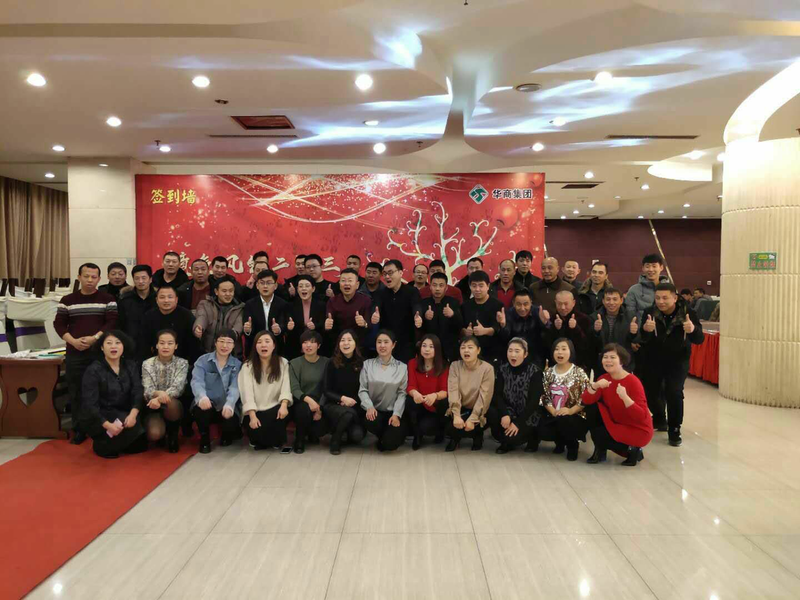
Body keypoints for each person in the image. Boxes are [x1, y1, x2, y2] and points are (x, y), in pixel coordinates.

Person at [54, 262, 118, 445]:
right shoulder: (67, 300)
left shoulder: (108, 299)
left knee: (101, 390)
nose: (90, 280)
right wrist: (73, 341)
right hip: (75, 353)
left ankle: (100, 427)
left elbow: (111, 322)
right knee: (76, 391)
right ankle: (79, 429)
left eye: (94, 277)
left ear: (99, 279)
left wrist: (94, 338)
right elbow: (59, 324)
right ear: (79, 277)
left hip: (100, 352)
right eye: (86, 276)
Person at [639, 283, 704, 447]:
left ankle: (674, 428)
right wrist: (645, 329)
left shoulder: (688, 312)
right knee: (651, 392)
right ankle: (660, 418)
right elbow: (642, 339)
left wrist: (692, 329)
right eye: (657, 298)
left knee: (674, 392)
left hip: (677, 360)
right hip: (653, 359)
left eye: (665, 298)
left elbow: (699, 339)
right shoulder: (649, 312)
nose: (661, 302)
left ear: (675, 298)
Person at [582, 344, 653, 466]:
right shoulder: (604, 378)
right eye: (605, 357)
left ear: (622, 361)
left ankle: (632, 450)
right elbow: (586, 400)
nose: (608, 360)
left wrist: (625, 398)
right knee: (592, 408)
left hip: (637, 429)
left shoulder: (633, 381)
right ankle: (600, 450)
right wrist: (595, 386)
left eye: (612, 357)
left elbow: (641, 416)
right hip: (616, 422)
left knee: (600, 435)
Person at [81, 330, 148, 458]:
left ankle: (118, 441)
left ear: (123, 346)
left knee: (140, 446)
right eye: (109, 343)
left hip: (126, 411)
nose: (113, 346)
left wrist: (133, 414)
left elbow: (137, 391)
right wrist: (107, 424)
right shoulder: (94, 370)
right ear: (102, 347)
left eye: (118, 343)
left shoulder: (130, 365)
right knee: (111, 450)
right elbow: (90, 404)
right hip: (102, 415)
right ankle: (102, 443)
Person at [487, 338, 544, 454]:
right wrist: (505, 414)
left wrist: (517, 423)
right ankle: (506, 441)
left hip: (527, 415)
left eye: (517, 351)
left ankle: (532, 437)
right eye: (510, 350)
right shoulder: (502, 369)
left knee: (514, 438)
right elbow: (497, 395)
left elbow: (534, 402)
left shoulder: (535, 371)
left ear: (525, 354)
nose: (513, 354)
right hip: (509, 411)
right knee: (491, 412)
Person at [239, 330, 293, 451]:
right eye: (259, 342)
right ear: (255, 346)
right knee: (259, 443)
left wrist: (284, 405)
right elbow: (247, 393)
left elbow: (286, 387)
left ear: (273, 345)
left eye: (267, 341)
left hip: (276, 408)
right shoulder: (247, 366)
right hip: (255, 410)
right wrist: (252, 415)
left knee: (276, 441)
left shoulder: (283, 363)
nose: (263, 345)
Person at [537, 338, 589, 461]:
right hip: (553, 413)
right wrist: (553, 411)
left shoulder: (579, 372)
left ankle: (572, 446)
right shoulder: (548, 372)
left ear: (571, 352)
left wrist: (570, 411)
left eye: (564, 349)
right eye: (557, 349)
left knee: (565, 420)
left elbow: (586, 398)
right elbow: (544, 396)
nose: (560, 352)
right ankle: (559, 442)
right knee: (540, 427)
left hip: (574, 415)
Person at [191, 329, 243, 453]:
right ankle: (204, 439)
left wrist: (230, 404)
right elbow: (197, 381)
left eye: (229, 342)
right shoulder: (202, 361)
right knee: (201, 410)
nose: (225, 346)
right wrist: (202, 397)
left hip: (227, 406)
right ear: (215, 342)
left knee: (231, 423)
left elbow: (235, 387)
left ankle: (227, 434)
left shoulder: (237, 364)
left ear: (234, 345)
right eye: (221, 341)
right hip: (208, 404)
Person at [358, 330, 409, 451]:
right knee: (371, 421)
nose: (382, 345)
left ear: (393, 345)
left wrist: (396, 414)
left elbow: (402, 393)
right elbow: (363, 390)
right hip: (375, 412)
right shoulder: (367, 365)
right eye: (379, 342)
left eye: (386, 342)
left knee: (390, 445)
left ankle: (389, 437)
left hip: (393, 413)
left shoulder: (402, 367)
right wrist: (369, 407)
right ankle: (383, 436)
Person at [141, 329, 189, 453]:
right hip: (153, 406)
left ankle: (173, 435)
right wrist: (158, 394)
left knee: (171, 403)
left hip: (172, 404)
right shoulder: (147, 364)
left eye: (170, 343)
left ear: (176, 346)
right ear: (157, 345)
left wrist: (160, 397)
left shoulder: (182, 363)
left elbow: (178, 388)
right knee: (154, 434)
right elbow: (147, 389)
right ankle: (162, 432)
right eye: (162, 343)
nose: (165, 346)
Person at [321, 330, 367, 454]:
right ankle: (335, 439)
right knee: (347, 414)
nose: (346, 343)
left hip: (355, 405)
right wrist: (342, 399)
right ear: (338, 344)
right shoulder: (331, 363)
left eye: (349, 340)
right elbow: (326, 390)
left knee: (357, 436)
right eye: (342, 340)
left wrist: (352, 401)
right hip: (334, 404)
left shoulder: (362, 363)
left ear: (355, 343)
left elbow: (365, 389)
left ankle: (344, 430)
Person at [445, 335, 494, 451]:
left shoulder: (487, 368)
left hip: (478, 409)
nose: (466, 350)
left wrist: (473, 419)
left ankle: (477, 435)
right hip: (461, 408)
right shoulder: (455, 366)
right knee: (448, 425)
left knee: (492, 414)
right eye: (463, 347)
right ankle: (455, 438)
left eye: (470, 347)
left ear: (478, 350)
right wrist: (456, 415)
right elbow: (453, 390)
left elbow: (485, 396)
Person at [288, 330, 330, 453]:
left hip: (321, 401)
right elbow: (294, 389)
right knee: (303, 409)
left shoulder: (327, 362)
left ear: (319, 345)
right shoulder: (294, 363)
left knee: (321, 428)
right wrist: (310, 401)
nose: (308, 345)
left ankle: (312, 433)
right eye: (305, 342)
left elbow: (327, 388)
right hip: (301, 400)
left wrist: (319, 408)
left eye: (312, 342)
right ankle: (299, 439)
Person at [406, 334, 449, 450]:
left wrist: (435, 395)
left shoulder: (444, 365)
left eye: (431, 346)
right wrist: (415, 393)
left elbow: (445, 390)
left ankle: (440, 431)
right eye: (424, 346)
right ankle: (417, 435)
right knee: (409, 400)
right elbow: (410, 386)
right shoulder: (412, 363)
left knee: (444, 403)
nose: (427, 349)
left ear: (437, 349)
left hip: (435, 406)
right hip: (420, 403)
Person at [374, 259, 420, 362]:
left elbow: (416, 306)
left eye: (390, 273)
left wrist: (418, 316)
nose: (387, 277)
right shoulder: (380, 293)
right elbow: (376, 308)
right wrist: (374, 316)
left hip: (406, 343)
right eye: (385, 274)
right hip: (386, 343)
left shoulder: (411, 291)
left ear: (400, 273)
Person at [414, 272, 463, 363]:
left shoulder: (454, 302)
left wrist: (453, 315)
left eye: (441, 285)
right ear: (430, 287)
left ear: (446, 288)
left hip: (449, 349)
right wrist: (424, 317)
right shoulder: (423, 303)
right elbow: (419, 328)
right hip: (429, 348)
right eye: (434, 285)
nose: (437, 288)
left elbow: (460, 326)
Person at [140, 285, 197, 362]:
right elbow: (144, 343)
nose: (166, 300)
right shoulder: (149, 316)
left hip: (182, 360)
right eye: (162, 297)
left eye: (170, 297)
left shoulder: (187, 316)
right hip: (154, 360)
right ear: (156, 300)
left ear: (176, 299)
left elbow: (193, 344)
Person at [194, 275, 245, 358]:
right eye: (224, 291)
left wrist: (230, 337)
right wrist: (198, 327)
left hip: (233, 355)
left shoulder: (240, 308)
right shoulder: (205, 304)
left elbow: (238, 326)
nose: (228, 294)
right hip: (207, 352)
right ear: (216, 291)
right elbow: (202, 317)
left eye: (231, 291)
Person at [496, 289, 549, 368]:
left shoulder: (539, 312)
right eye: (518, 304)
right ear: (513, 303)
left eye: (526, 304)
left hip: (535, 355)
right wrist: (503, 326)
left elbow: (546, 337)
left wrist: (545, 324)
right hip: (514, 355)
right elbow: (504, 339)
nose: (522, 308)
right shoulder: (508, 314)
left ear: (531, 302)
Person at [243, 269, 290, 356]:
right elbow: (247, 327)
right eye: (262, 283)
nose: (265, 286)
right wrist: (248, 330)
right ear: (257, 285)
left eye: (269, 283)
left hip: (277, 349)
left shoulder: (283, 304)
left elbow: (285, 325)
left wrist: (278, 330)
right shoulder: (249, 304)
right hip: (255, 348)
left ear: (275, 286)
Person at [590, 287, 637, 373]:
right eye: (608, 299)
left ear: (621, 300)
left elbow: (636, 342)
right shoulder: (594, 317)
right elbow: (591, 344)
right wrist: (596, 331)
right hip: (602, 364)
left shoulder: (630, 317)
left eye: (615, 299)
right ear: (603, 301)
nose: (611, 303)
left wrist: (633, 333)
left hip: (624, 363)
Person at [543, 290, 593, 370]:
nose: (563, 307)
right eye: (559, 304)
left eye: (566, 304)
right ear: (555, 303)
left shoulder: (584, 319)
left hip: (578, 365)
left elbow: (587, 345)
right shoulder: (551, 319)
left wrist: (576, 328)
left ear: (573, 303)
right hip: (556, 365)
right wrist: (555, 329)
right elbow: (547, 345)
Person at [324, 268, 374, 348]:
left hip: (359, 345)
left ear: (357, 285)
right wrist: (327, 326)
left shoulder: (365, 300)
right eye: (343, 280)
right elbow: (328, 327)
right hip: (338, 344)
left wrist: (364, 323)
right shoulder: (332, 301)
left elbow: (369, 326)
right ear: (339, 284)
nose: (346, 283)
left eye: (350, 280)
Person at [461, 270, 504, 360]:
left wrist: (485, 331)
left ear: (488, 286)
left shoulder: (498, 305)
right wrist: (465, 332)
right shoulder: (465, 306)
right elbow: (460, 327)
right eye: (474, 286)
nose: (477, 289)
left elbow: (500, 329)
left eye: (481, 286)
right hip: (470, 353)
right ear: (469, 286)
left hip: (492, 352)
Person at [285, 275, 329, 358]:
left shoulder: (321, 305)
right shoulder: (291, 305)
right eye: (301, 286)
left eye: (307, 286)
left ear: (313, 289)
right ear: (297, 289)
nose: (304, 288)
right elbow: (286, 326)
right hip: (296, 346)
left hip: (317, 345)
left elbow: (324, 325)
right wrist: (289, 327)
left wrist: (315, 326)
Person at [117, 264, 157, 348]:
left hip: (154, 345)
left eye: (144, 278)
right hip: (130, 345)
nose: (140, 281)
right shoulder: (125, 299)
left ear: (150, 279)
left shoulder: (158, 299)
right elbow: (120, 324)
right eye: (137, 278)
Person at [624, 253, 671, 320]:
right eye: (647, 266)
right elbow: (630, 314)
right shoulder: (634, 290)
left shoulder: (670, 289)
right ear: (643, 268)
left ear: (661, 267)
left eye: (654, 266)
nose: (651, 269)